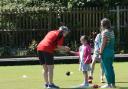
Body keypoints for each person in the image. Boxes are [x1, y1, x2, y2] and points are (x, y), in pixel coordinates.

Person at [99, 18, 116, 88]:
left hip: (106, 52)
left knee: (106, 68)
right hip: (111, 51)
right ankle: (113, 84)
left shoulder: (105, 32)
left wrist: (100, 52)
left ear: (103, 24)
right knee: (110, 68)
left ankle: (109, 84)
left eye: (101, 24)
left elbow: (103, 43)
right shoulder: (111, 31)